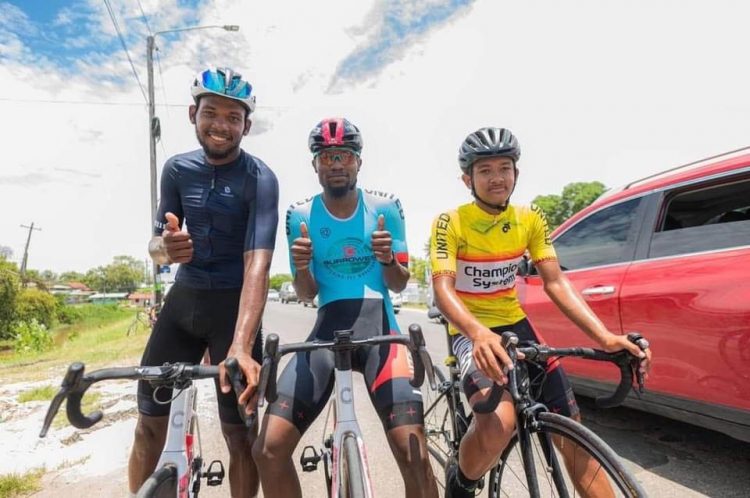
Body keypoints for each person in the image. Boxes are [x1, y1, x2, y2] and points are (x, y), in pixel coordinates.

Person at [429, 127, 652, 497]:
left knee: (573, 433)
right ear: (467, 178)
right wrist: (477, 333)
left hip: (517, 324)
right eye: (485, 171)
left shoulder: (530, 218)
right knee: (499, 426)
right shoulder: (450, 222)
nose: (497, 178)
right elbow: (442, 290)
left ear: (516, 172)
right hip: (471, 330)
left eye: (505, 167)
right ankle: (462, 482)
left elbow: (556, 282)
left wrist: (606, 337)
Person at [246, 117, 437, 497]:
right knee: (268, 450)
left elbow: (398, 282)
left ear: (358, 163)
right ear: (315, 164)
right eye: (327, 156)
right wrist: (301, 268)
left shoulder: (386, 206)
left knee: (413, 452)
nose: (336, 163)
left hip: (380, 328)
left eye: (344, 156)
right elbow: (305, 293)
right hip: (325, 332)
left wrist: (387, 260)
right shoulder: (299, 215)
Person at [128, 67, 279, 498]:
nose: (221, 125)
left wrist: (240, 346)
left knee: (240, 436)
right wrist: (165, 248)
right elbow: (157, 247)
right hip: (184, 302)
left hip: (234, 309)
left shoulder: (260, 178)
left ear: (246, 126)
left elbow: (257, 264)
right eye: (211, 113)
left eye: (233, 117)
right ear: (193, 113)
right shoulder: (176, 170)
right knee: (147, 427)